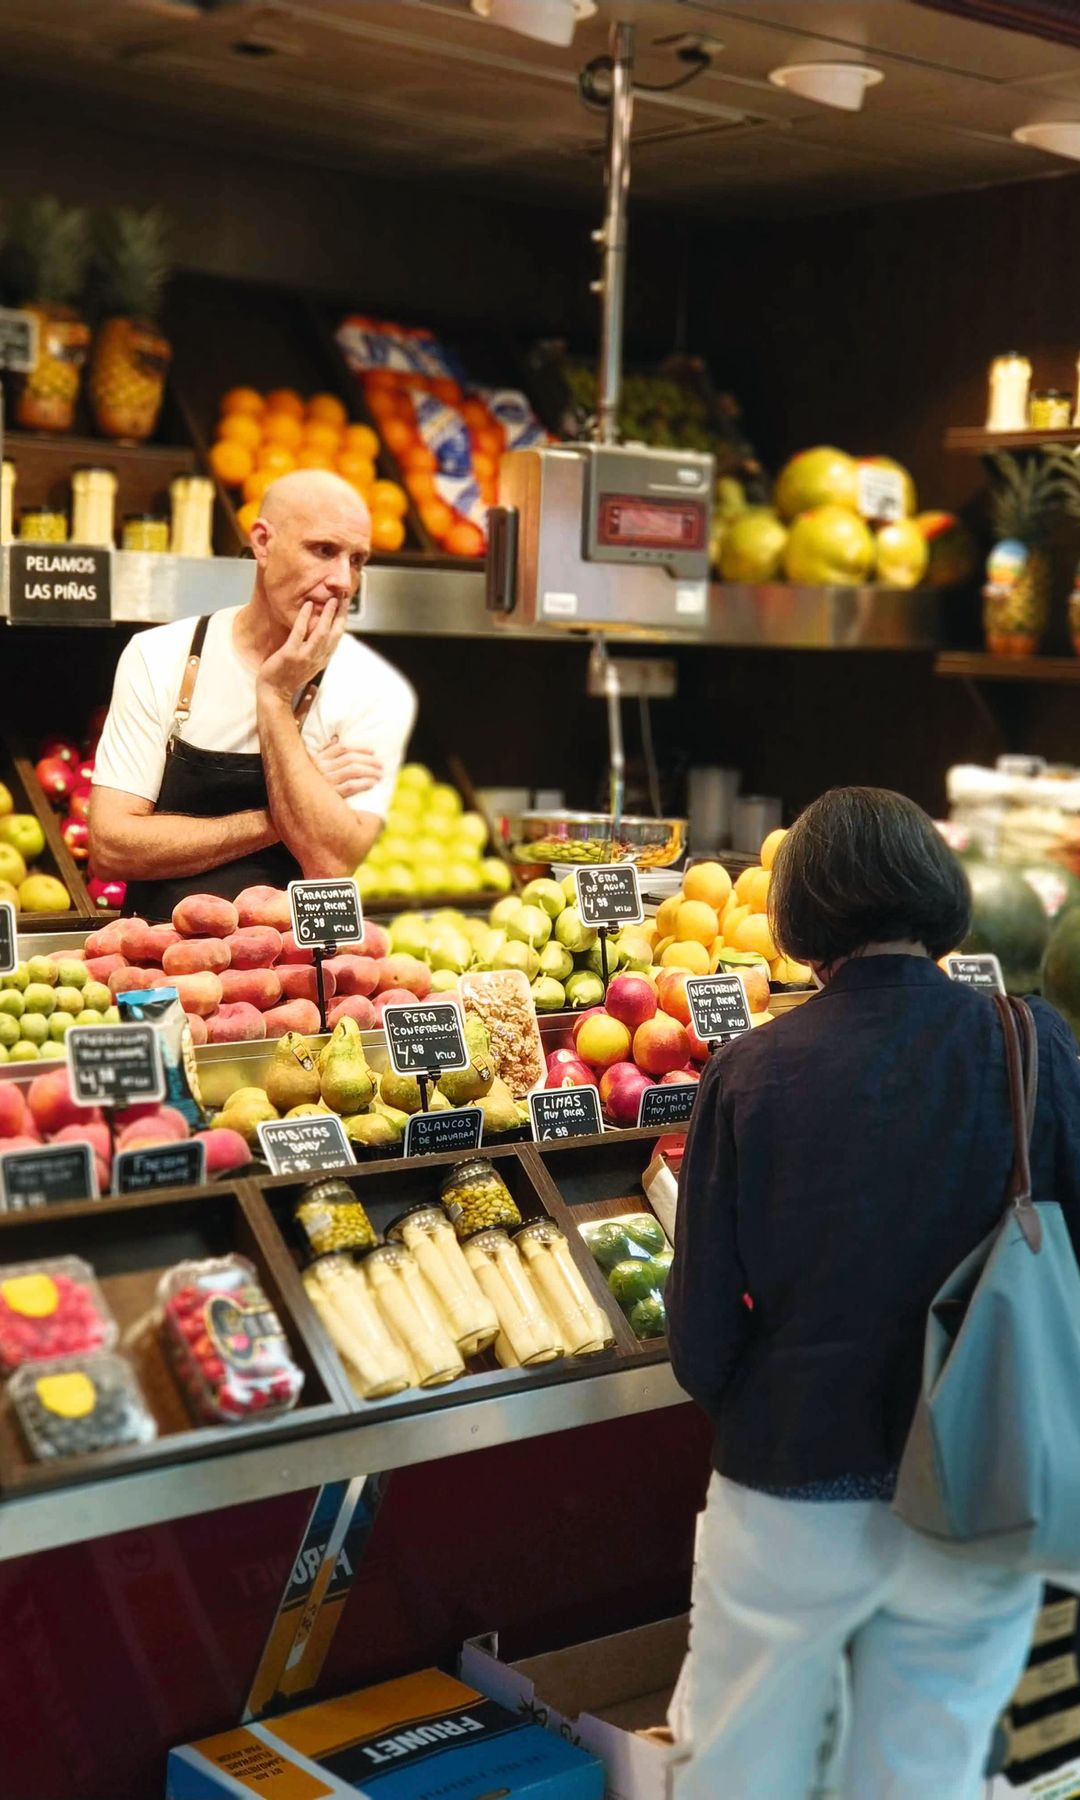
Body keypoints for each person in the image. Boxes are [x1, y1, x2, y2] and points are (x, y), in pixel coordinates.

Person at [666, 786, 1080, 1800]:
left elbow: (702, 1334)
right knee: (923, 1772)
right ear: (939, 897)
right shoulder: (1032, 1042)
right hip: (982, 1484)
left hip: (792, 1484)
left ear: (799, 918)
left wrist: (765, 1401)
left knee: (737, 1766)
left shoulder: (751, 1070)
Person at [89, 469, 415, 919]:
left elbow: (329, 867)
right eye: (324, 550)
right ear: (263, 542)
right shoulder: (161, 655)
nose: (343, 580)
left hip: (298, 973)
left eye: (357, 560)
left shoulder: (374, 688)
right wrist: (278, 818)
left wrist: (275, 698)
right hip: (162, 964)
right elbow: (111, 848)